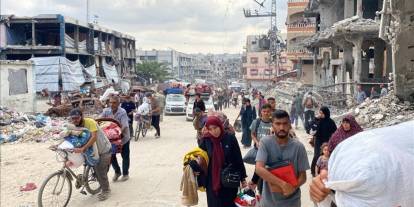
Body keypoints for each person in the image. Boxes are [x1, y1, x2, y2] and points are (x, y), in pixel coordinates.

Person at [255, 110, 310, 207]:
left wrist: (293, 187)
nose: (281, 127)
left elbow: (303, 176)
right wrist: (282, 184)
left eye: (285, 124)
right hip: (269, 202)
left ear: (289, 125)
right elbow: (259, 169)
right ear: (272, 125)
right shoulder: (265, 142)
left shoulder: (298, 147)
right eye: (278, 124)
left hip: (292, 202)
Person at [198, 116, 247, 207]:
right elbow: (200, 157)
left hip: (229, 178)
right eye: (210, 129)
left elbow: (238, 158)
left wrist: (243, 178)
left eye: (215, 128)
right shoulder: (206, 140)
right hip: (212, 180)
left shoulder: (230, 138)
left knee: (229, 203)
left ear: (220, 126)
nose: (214, 131)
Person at [69, 108, 112, 201]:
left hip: (102, 149)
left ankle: (106, 190)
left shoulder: (90, 122)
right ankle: (84, 177)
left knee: (100, 171)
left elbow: (94, 137)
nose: (75, 120)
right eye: (73, 118)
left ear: (81, 116)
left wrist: (83, 148)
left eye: (77, 118)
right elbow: (69, 135)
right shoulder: (74, 125)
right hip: (90, 149)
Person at [100, 96, 131, 182]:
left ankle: (125, 174)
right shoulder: (106, 111)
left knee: (125, 155)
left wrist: (117, 133)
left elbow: (124, 126)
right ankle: (117, 172)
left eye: (114, 103)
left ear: (118, 103)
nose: (112, 104)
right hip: (110, 138)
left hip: (123, 137)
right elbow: (100, 120)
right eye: (111, 102)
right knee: (111, 156)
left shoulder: (122, 112)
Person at [248, 104, 273, 192]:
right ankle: (256, 186)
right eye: (264, 111)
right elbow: (252, 134)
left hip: (270, 151)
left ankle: (258, 186)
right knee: (259, 168)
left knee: (268, 169)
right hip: (259, 150)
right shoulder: (256, 122)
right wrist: (257, 142)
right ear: (261, 112)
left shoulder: (274, 122)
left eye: (268, 111)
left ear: (271, 112)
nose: (266, 113)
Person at [310, 106, 337, 177]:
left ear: (326, 113)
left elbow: (335, 132)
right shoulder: (318, 120)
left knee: (325, 156)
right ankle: (314, 171)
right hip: (318, 140)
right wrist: (315, 119)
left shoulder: (331, 122)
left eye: (322, 113)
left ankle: (325, 172)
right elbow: (310, 127)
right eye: (320, 113)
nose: (320, 115)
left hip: (327, 142)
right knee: (317, 155)